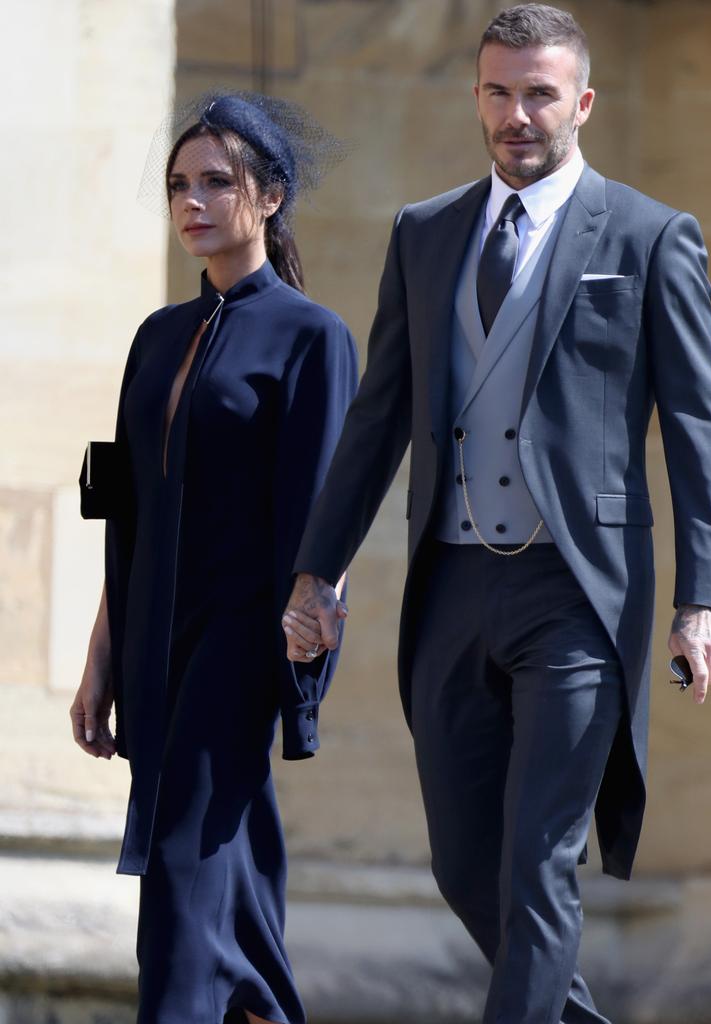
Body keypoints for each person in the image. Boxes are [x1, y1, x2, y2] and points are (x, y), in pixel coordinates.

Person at [282, 5, 711, 1023]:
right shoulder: (425, 232)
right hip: (452, 582)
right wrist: (317, 568)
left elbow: (703, 427)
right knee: (462, 859)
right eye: (498, 91)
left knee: (539, 861)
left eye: (539, 93)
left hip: (577, 591)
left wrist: (706, 599)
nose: (517, 114)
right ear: (477, 96)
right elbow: (378, 417)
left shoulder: (651, 236)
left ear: (582, 100)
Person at [70, 92, 357, 1024]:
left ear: (269, 196)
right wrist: (99, 661)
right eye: (178, 185)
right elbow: (127, 515)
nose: (192, 201)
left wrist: (308, 639)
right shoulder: (156, 338)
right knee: (223, 885)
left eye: (216, 182)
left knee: (184, 881)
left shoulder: (313, 337)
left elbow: (326, 519)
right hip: (154, 646)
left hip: (240, 644)